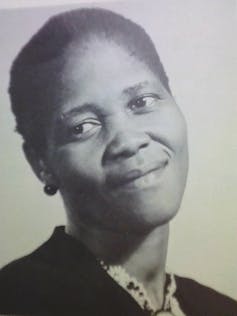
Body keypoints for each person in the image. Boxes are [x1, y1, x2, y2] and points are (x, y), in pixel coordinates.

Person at [0, 7, 236, 316]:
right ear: (41, 163)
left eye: (142, 102)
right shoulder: (16, 300)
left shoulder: (218, 308)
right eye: (82, 126)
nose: (127, 141)